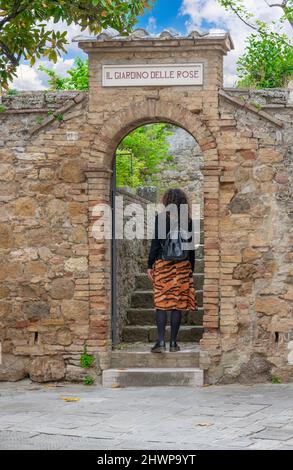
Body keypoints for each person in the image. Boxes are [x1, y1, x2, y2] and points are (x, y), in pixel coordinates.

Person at [147, 188, 196, 353]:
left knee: (161, 304)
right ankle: (173, 343)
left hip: (163, 264)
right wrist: (191, 269)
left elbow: (155, 243)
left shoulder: (160, 219)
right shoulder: (187, 220)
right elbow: (191, 248)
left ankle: (160, 342)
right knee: (177, 305)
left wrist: (149, 265)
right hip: (182, 265)